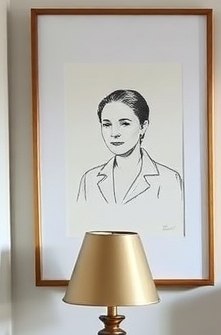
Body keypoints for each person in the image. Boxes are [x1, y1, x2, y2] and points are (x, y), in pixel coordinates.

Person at [76, 89, 184, 231]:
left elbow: (173, 233)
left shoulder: (168, 180)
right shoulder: (89, 180)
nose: (114, 133)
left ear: (143, 127)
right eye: (107, 125)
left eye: (125, 124)